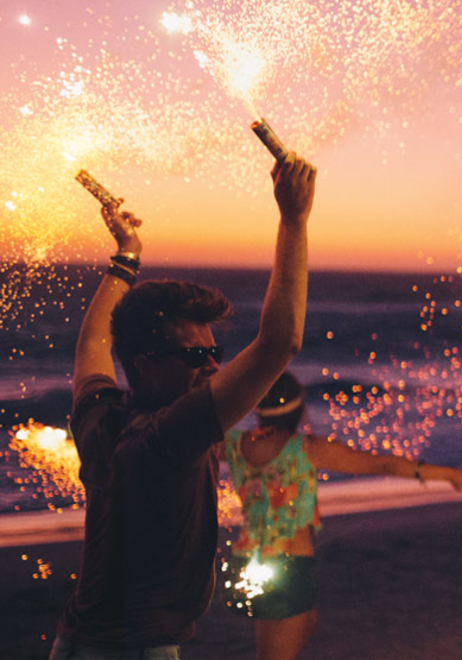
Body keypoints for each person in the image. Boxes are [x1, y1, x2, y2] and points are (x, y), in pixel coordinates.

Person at [52, 152, 317, 660]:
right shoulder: (167, 437)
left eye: (215, 351)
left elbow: (92, 346)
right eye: (196, 355)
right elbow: (280, 342)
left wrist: (125, 257)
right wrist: (293, 218)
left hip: (79, 644)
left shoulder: (101, 416)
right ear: (148, 363)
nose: (214, 367)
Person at [222, 371, 462, 660]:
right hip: (286, 567)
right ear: (300, 410)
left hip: (250, 562)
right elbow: (381, 465)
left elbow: (184, 441)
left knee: (306, 623)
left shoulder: (234, 444)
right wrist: (451, 474)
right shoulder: (306, 448)